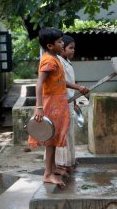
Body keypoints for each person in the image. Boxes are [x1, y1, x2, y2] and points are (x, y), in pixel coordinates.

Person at [28, 28, 70, 186]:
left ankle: (52, 168)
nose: (63, 43)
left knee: (54, 137)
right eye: (60, 41)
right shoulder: (49, 60)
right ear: (50, 46)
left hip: (57, 103)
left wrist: (77, 87)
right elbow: (39, 83)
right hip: (50, 104)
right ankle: (47, 174)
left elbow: (58, 81)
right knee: (50, 140)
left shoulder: (55, 58)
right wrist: (39, 107)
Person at [55, 35, 88, 173]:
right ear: (62, 48)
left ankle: (68, 161)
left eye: (74, 48)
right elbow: (61, 82)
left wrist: (74, 98)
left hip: (68, 101)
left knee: (68, 133)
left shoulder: (67, 62)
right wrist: (78, 87)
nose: (73, 50)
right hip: (60, 102)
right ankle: (60, 164)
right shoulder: (58, 62)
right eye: (70, 48)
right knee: (62, 134)